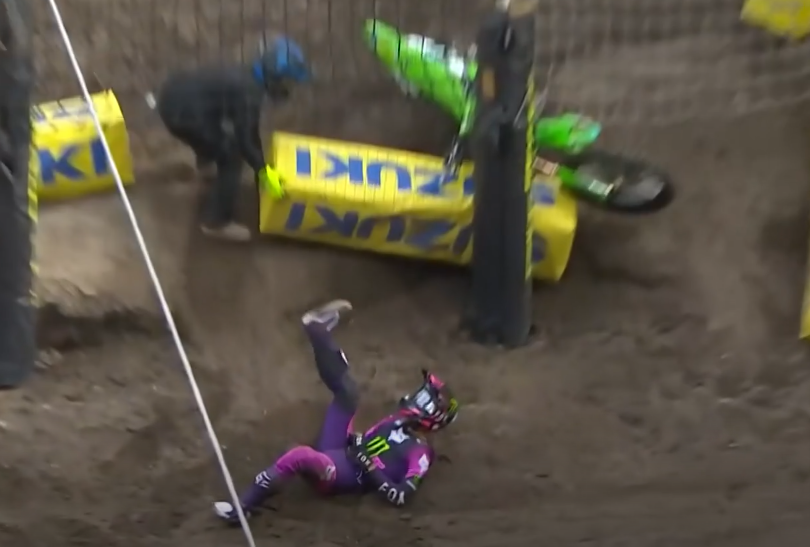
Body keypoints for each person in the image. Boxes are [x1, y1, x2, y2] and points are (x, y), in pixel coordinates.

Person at [213, 299, 459, 522]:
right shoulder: (397, 421)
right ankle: (317, 330)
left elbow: (401, 495)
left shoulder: (420, 453)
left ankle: (242, 508)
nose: (416, 398)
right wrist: (357, 443)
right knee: (348, 395)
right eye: (421, 394)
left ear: (435, 417)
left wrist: (368, 466)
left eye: (425, 399)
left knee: (299, 454)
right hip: (341, 452)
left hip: (342, 476)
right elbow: (364, 443)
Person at [150, 34, 310, 242]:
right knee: (232, 157)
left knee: (216, 130)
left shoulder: (248, 75)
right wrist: (264, 172)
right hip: (181, 114)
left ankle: (207, 165)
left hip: (174, 95)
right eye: (287, 81)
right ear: (275, 78)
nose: (288, 88)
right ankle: (216, 222)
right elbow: (246, 140)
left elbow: (249, 131)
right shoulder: (249, 95)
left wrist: (262, 168)